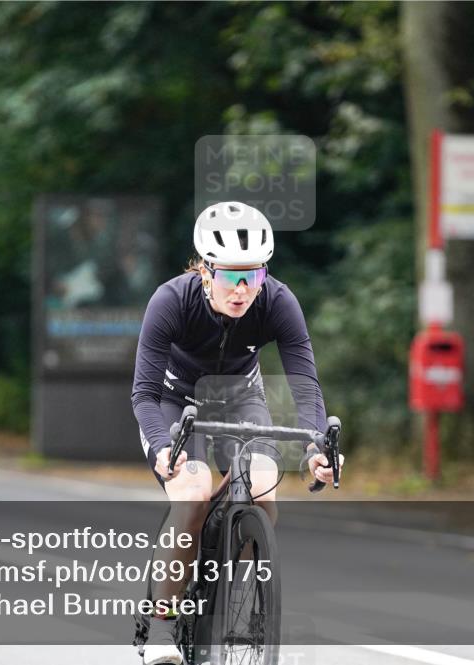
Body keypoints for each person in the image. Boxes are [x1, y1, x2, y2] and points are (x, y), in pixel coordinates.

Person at [130, 201, 345, 665]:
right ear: (206, 271)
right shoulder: (171, 301)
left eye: (254, 274)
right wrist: (162, 447)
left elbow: (304, 383)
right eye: (230, 276)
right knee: (193, 494)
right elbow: (143, 393)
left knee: (264, 491)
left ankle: (223, 592)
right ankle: (162, 623)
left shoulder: (278, 301)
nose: (243, 289)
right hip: (175, 401)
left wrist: (315, 446)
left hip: (241, 398)